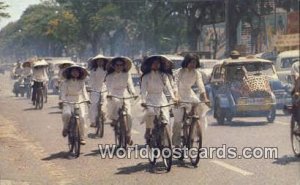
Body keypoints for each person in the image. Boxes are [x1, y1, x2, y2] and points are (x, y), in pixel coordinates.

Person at [172, 54, 209, 147]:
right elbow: (175, 84)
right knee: (178, 121)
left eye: (195, 62)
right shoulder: (179, 72)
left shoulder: (197, 73)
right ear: (186, 62)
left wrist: (205, 97)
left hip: (190, 94)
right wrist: (176, 96)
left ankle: (193, 133)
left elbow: (201, 85)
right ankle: (176, 144)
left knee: (200, 110)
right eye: (191, 62)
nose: (193, 64)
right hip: (179, 96)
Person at [140, 55, 176, 140]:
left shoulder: (163, 75)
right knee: (150, 113)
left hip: (161, 98)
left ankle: (166, 139)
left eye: (158, 63)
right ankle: (148, 130)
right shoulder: (146, 76)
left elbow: (169, 87)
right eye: (154, 63)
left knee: (166, 118)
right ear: (150, 65)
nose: (156, 65)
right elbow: (143, 90)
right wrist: (143, 101)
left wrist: (174, 98)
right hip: (150, 98)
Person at [105, 57, 137, 145]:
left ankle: (129, 135)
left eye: (121, 65)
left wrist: (133, 93)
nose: (119, 67)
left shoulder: (127, 74)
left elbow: (130, 85)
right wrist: (109, 93)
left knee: (129, 115)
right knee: (115, 103)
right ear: (113, 66)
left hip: (124, 94)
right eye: (117, 65)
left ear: (124, 66)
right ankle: (115, 119)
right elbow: (109, 86)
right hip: (113, 94)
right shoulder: (110, 76)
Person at [61, 65, 90, 145]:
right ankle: (65, 128)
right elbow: (63, 93)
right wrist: (63, 100)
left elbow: (84, 92)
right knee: (67, 114)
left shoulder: (81, 82)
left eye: (77, 71)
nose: (75, 73)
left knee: (82, 118)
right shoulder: (65, 82)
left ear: (79, 73)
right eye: (73, 71)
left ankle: (82, 137)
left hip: (79, 100)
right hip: (68, 100)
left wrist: (87, 99)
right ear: (70, 73)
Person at [88, 55, 110, 128]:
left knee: (105, 103)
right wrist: (89, 87)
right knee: (93, 104)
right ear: (96, 62)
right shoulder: (93, 71)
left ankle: (104, 115)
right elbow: (91, 80)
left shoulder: (107, 71)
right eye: (98, 61)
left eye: (102, 61)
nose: (100, 62)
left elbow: (108, 80)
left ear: (104, 62)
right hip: (94, 89)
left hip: (104, 89)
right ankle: (93, 121)